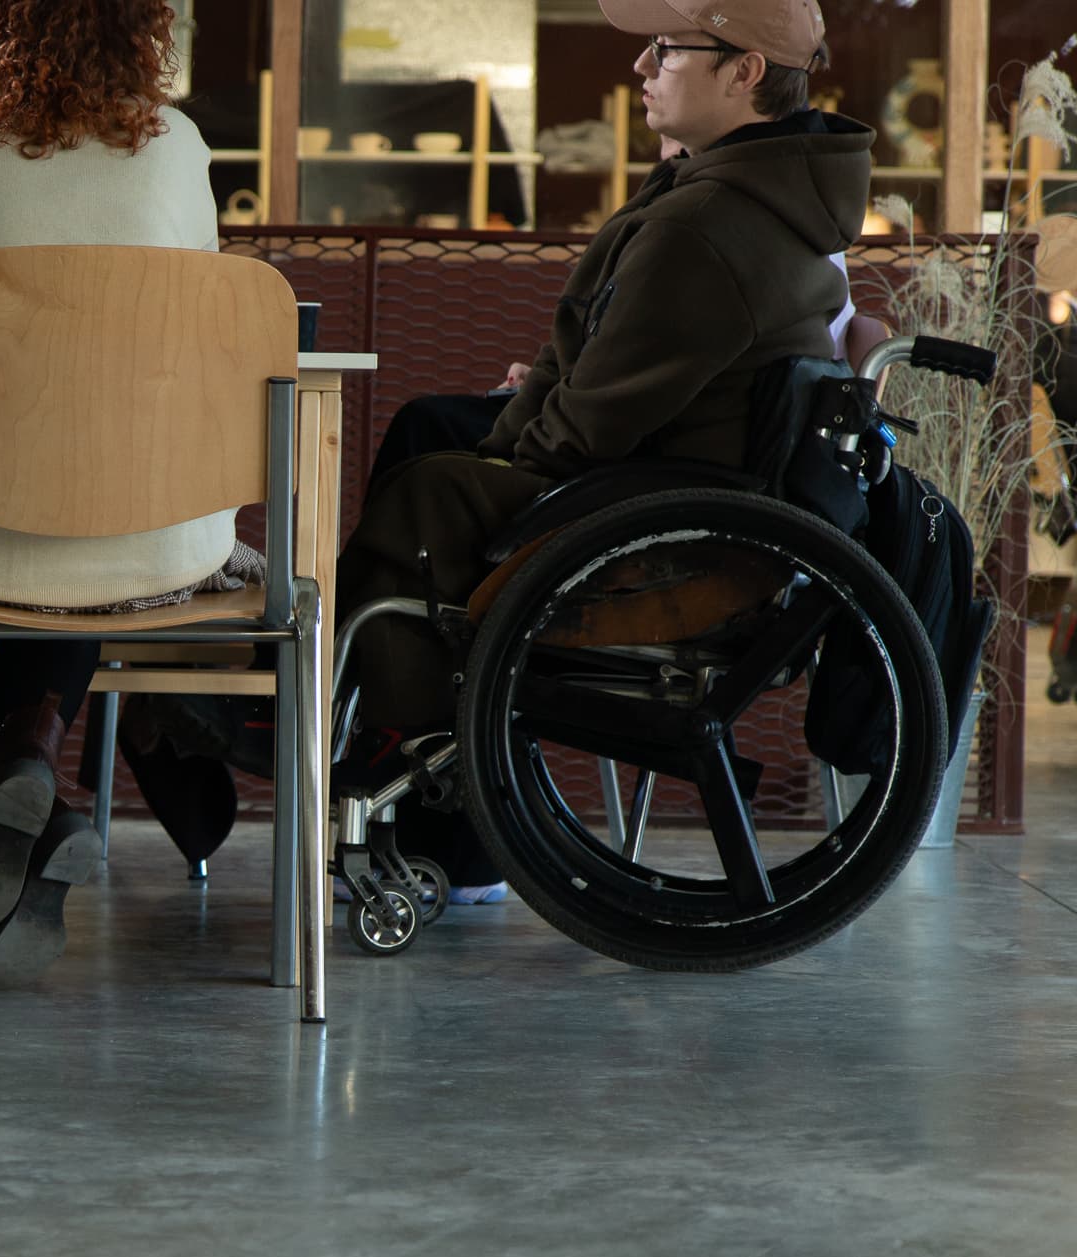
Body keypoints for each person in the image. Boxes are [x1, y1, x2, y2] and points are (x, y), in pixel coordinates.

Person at [335, 0, 870, 753]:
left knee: (428, 484)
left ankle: (375, 738)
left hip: (661, 527)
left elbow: (584, 431)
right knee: (436, 428)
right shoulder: (756, 195)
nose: (641, 66)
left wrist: (498, 453)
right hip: (689, 494)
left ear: (745, 72)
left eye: (668, 49)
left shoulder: (705, 226)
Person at [0, 0, 221, 985]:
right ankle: (34, 763)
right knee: (85, 504)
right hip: (152, 531)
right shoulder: (180, 143)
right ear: (138, 26)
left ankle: (23, 790)